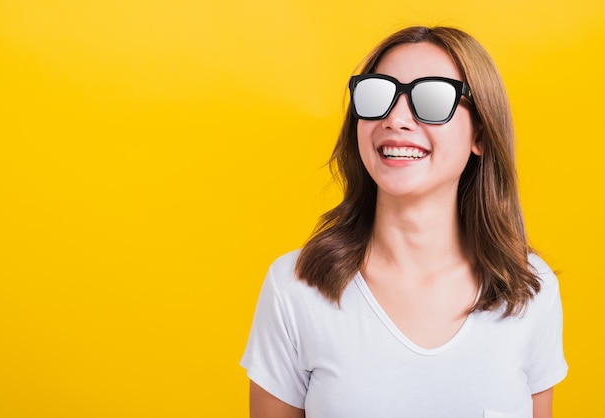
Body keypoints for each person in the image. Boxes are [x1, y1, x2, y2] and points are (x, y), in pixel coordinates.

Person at [240, 26, 567, 418]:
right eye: (378, 94)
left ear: (480, 132)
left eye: (431, 97)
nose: (396, 119)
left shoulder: (530, 290)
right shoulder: (295, 287)